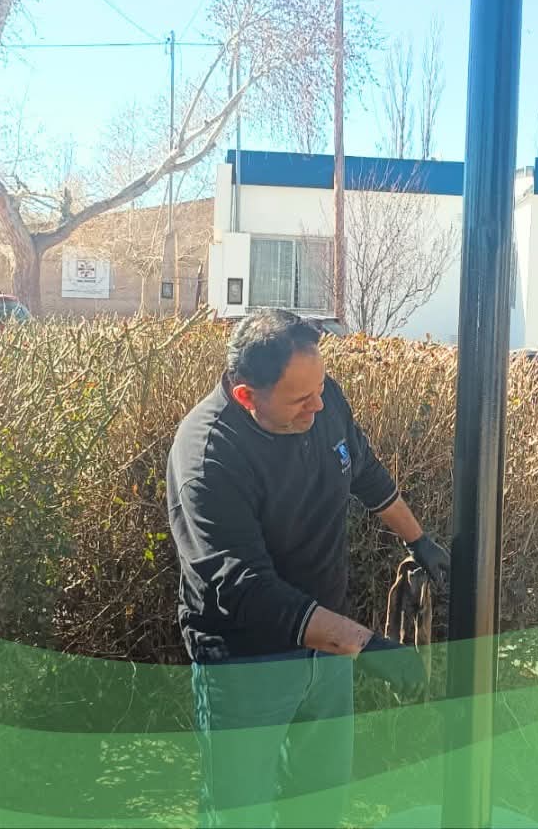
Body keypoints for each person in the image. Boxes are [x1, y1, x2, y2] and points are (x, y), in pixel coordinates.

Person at [166, 309, 450, 828]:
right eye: (301, 399)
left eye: (320, 388)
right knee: (241, 813)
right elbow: (247, 588)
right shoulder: (208, 458)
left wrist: (419, 539)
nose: (318, 405)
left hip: (327, 653)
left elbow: (362, 469)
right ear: (247, 396)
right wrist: (366, 645)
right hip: (247, 664)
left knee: (320, 804)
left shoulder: (321, 397)